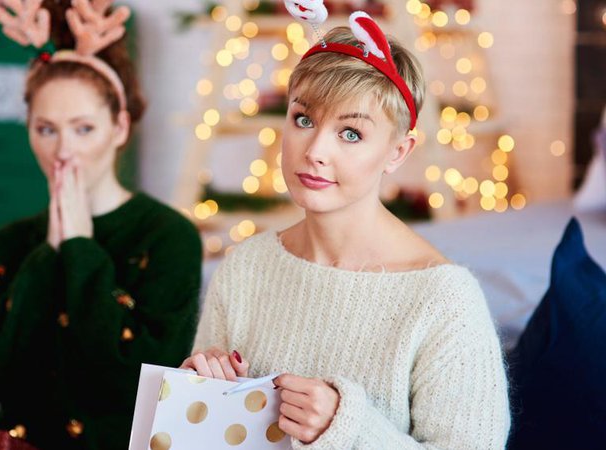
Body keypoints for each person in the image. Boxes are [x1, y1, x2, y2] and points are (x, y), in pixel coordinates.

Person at [182, 11, 510, 449]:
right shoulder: (244, 268)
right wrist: (195, 400)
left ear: (398, 151)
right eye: (303, 119)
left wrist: (348, 429)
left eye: (351, 133)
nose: (316, 150)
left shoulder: (443, 302)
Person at [0, 1, 202, 448]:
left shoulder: (168, 237)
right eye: (46, 129)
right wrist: (48, 256)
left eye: (83, 129)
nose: (63, 150)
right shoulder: (11, 242)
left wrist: (81, 249)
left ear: (120, 127)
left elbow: (135, 384)